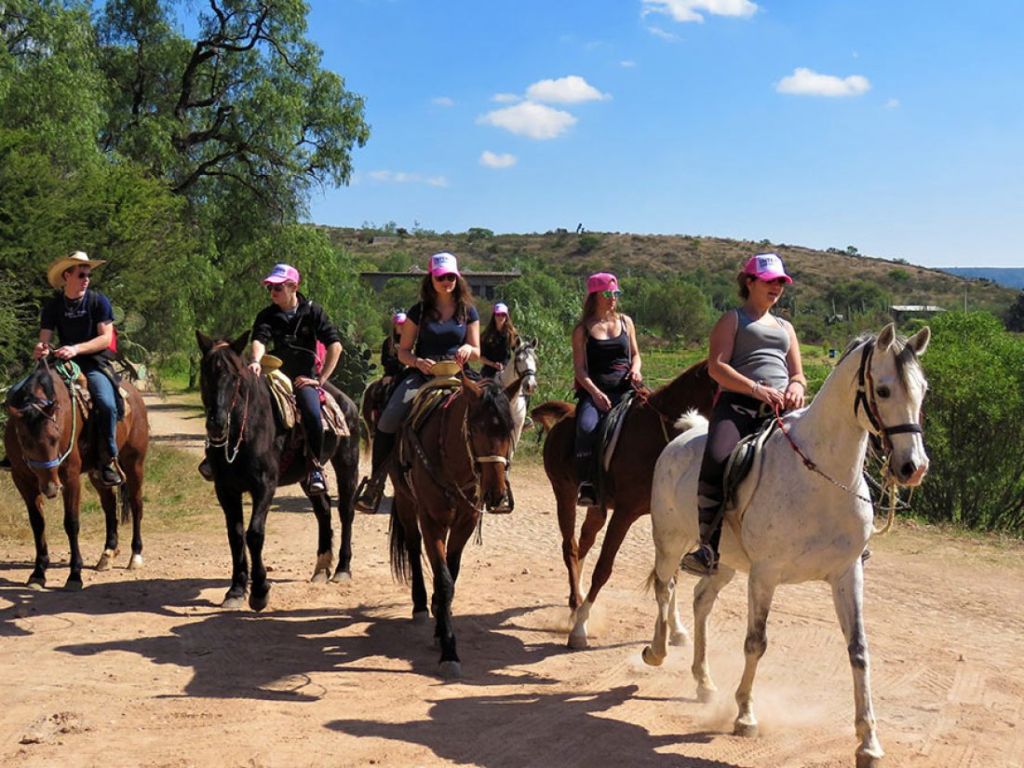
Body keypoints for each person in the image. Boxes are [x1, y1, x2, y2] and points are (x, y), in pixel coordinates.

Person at [680, 253, 806, 576]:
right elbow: (716, 367)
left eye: (780, 282)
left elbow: (797, 374)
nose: (776, 287)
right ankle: (708, 547)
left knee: (823, 448)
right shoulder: (733, 320)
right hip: (738, 407)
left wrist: (796, 387)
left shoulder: (786, 327)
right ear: (749, 282)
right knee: (717, 458)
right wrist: (756, 389)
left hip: (781, 410)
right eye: (769, 281)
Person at [354, 252, 480, 512]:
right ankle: (376, 483)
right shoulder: (418, 311)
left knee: (494, 409)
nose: (446, 282)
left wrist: (469, 348)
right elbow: (403, 351)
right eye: (440, 277)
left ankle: (495, 481)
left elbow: (477, 350)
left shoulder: (468, 311)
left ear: (458, 278)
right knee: (389, 418)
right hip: (423, 374)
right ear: (430, 279)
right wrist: (418, 362)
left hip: (459, 373)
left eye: (451, 277)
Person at [248, 264, 343, 494]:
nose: (272, 292)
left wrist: (320, 379)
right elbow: (260, 339)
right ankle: (224, 457)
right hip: (275, 375)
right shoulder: (267, 315)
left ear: (294, 287)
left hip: (303, 378)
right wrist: (256, 361)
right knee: (243, 401)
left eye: (278, 287)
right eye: (270, 288)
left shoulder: (313, 312)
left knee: (311, 412)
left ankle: (315, 468)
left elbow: (335, 345)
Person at [35, 251, 122, 486]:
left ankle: (108, 459)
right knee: (24, 395)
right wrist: (42, 349)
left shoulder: (98, 301)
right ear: (67, 276)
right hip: (62, 363)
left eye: (88, 275)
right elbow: (45, 339)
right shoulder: (53, 306)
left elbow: (105, 339)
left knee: (107, 403)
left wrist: (76, 349)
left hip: (93, 362)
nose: (86, 279)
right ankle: (19, 454)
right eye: (81, 275)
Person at [572, 272, 642, 507]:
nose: (613, 298)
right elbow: (580, 370)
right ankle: (587, 483)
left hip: (626, 388)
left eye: (616, 293)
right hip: (596, 391)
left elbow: (636, 354)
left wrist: (636, 369)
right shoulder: (582, 330)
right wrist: (595, 393)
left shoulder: (626, 322)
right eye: (607, 293)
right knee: (586, 427)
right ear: (595, 296)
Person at [479, 302, 519, 379]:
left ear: (506, 317)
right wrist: (493, 364)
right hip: (489, 373)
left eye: (503, 314)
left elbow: (518, 351)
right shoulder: (486, 335)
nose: (500, 317)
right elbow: (481, 358)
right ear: (494, 316)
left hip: (507, 372)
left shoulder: (512, 334)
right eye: (498, 314)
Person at [379, 311, 407, 382]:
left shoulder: (410, 340)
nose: (402, 326)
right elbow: (384, 360)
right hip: (392, 374)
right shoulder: (388, 342)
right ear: (395, 325)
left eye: (404, 324)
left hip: (409, 372)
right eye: (400, 324)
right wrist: (399, 361)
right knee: (386, 385)